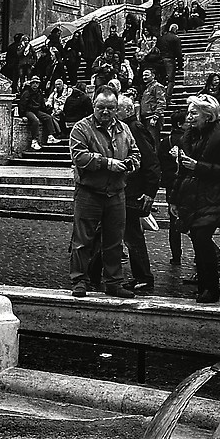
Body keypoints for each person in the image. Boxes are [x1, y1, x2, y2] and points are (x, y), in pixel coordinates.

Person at [66, 87, 144, 298]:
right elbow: (79, 156)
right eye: (101, 107)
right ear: (94, 106)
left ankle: (114, 282)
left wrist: (131, 164)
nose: (106, 112)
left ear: (117, 108)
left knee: (114, 241)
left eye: (111, 108)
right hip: (89, 192)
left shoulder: (124, 129)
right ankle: (79, 280)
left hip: (117, 192)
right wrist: (106, 163)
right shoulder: (81, 128)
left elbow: (136, 153)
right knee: (83, 240)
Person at [169, 94, 220, 303]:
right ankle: (205, 285)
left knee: (201, 238)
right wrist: (173, 199)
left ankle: (211, 288)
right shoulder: (189, 136)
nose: (189, 116)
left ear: (208, 115)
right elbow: (181, 171)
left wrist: (198, 166)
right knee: (198, 240)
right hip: (191, 195)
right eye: (188, 112)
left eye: (193, 112)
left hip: (213, 195)